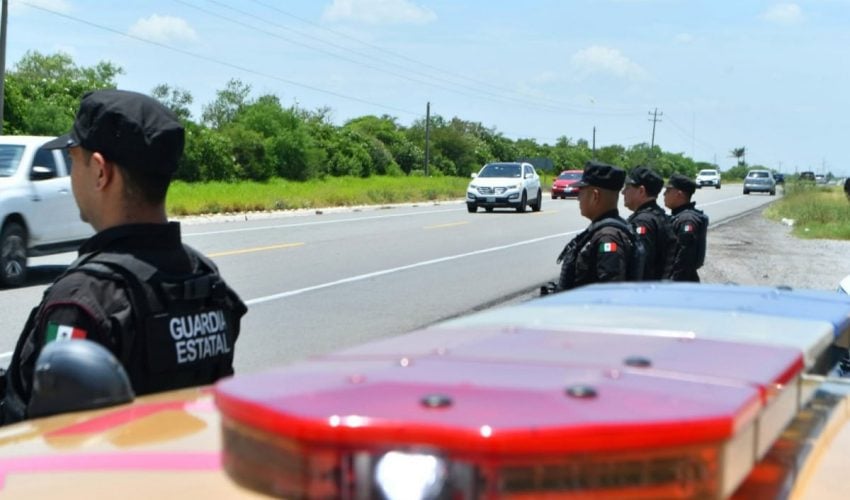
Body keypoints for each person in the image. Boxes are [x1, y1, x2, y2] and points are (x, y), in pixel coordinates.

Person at [0, 89, 248, 425]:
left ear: (100, 172)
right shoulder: (207, 281)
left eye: (74, 159)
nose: (70, 176)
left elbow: (48, 435)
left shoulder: (82, 301)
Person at [544, 161, 637, 294]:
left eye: (581, 192)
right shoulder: (604, 229)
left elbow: (610, 295)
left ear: (595, 196)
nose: (578, 199)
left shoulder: (608, 237)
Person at [622, 166, 673, 280]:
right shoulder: (657, 215)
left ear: (641, 191)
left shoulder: (643, 221)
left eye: (627, 187)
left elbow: (641, 266)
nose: (623, 192)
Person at [662, 173, 709, 282]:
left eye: (668, 191)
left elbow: (684, 259)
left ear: (679, 194)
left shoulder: (687, 220)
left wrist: (671, 284)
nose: (664, 194)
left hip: (681, 283)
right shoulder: (679, 216)